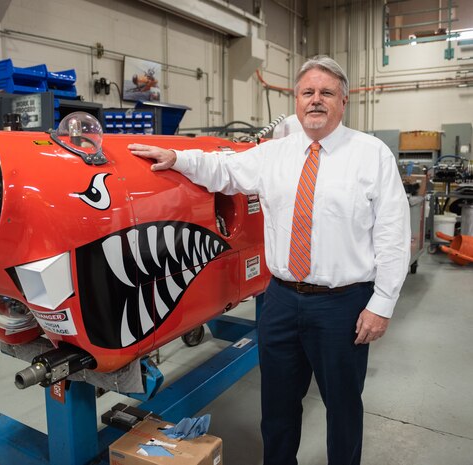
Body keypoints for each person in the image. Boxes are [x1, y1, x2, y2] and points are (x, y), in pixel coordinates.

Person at [128, 55, 411, 465]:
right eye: (308, 92)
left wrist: (381, 305)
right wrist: (178, 158)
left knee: (343, 407)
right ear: (296, 100)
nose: (316, 100)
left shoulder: (372, 155)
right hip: (280, 300)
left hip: (343, 305)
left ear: (343, 101)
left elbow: (393, 234)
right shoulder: (273, 153)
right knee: (277, 407)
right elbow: (223, 170)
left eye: (326, 93)